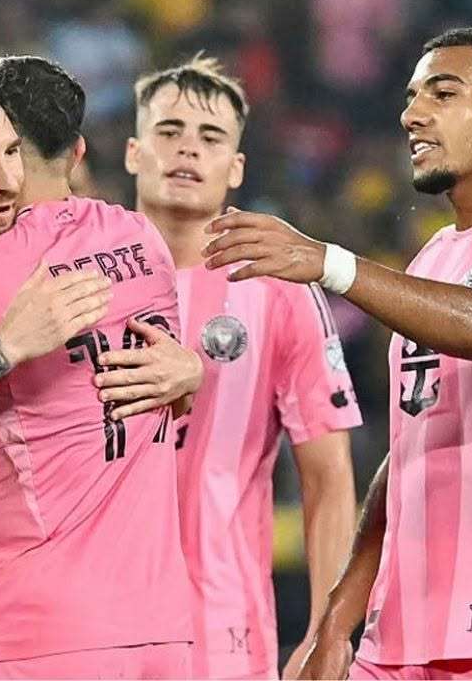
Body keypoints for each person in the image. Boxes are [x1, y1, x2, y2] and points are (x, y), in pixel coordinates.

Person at [204, 26, 472, 679]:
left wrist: (330, 263)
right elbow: (412, 445)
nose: (411, 114)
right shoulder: (433, 259)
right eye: (412, 96)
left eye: (442, 94)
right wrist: (337, 618)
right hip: (400, 637)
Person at [0, 55, 204, 680]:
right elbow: (165, 383)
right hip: (161, 626)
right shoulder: (146, 243)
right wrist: (192, 373)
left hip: (34, 628)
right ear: (77, 152)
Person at [126, 54, 362, 680]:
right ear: (133, 153)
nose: (187, 149)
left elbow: (328, 478)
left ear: (235, 168)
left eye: (210, 138)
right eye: (169, 131)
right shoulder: (82, 279)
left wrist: (326, 632)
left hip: (222, 628)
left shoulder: (276, 289)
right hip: (90, 626)